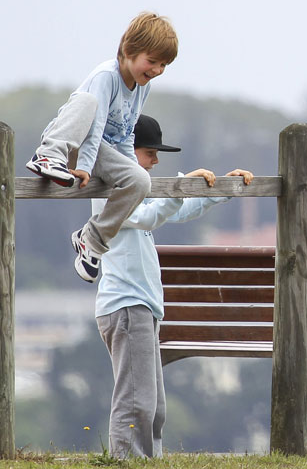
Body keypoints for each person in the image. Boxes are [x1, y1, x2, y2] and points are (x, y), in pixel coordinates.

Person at [94, 114, 254, 458]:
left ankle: (148, 460)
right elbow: (151, 215)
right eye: (150, 153)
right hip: (126, 305)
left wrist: (222, 190)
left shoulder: (132, 191)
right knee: (136, 400)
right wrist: (181, 185)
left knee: (153, 405)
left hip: (140, 307)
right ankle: (126, 460)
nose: (155, 162)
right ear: (127, 152)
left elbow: (172, 212)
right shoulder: (110, 190)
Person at [25, 12, 178, 283]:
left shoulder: (144, 87)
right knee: (87, 102)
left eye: (163, 64)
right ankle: (48, 155)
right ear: (129, 51)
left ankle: (92, 239)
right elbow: (93, 129)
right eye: (152, 61)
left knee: (141, 181)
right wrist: (83, 166)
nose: (156, 70)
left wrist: (132, 173)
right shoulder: (106, 76)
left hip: (99, 153)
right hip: (71, 143)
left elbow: (126, 134)